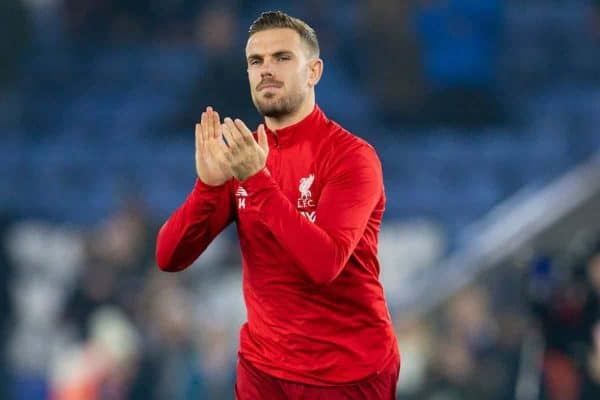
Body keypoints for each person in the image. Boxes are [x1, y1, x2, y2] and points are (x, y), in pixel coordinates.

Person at [156, 11, 400, 399]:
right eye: (257, 61)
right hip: (263, 368)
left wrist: (256, 180)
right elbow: (169, 256)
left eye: (282, 58)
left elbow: (324, 264)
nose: (266, 70)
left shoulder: (351, 157)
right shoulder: (243, 156)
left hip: (346, 372)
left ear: (314, 71)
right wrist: (208, 186)